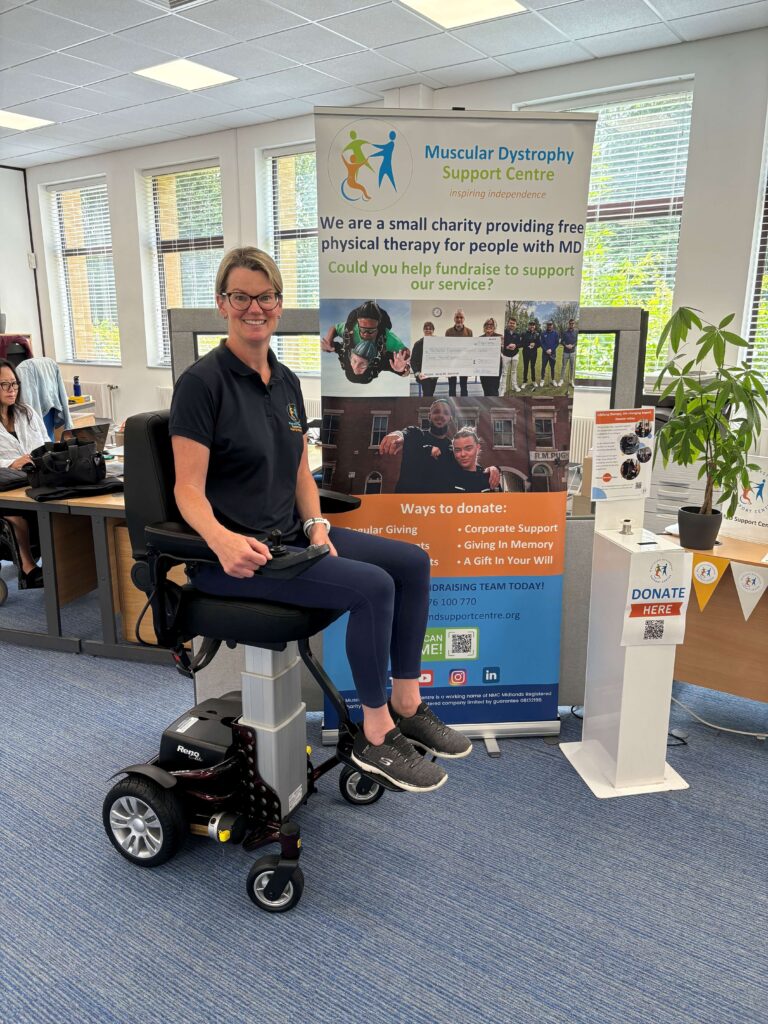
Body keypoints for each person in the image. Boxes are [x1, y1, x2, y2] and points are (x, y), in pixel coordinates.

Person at [170, 247, 470, 795]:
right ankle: (376, 736)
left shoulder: (284, 380)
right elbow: (186, 489)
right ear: (222, 304)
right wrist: (220, 540)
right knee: (374, 586)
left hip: (291, 539)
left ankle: (405, 702)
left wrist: (317, 527)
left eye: (265, 297)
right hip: (238, 558)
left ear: (280, 306)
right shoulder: (202, 383)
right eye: (241, 296)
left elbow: (300, 472)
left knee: (412, 562)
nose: (253, 307)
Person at [379, 399, 500, 494]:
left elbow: (467, 464)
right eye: (436, 411)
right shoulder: (416, 434)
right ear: (429, 415)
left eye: (446, 413)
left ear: (450, 418)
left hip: (436, 510)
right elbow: (404, 434)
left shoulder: (451, 448)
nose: (441, 415)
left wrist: (491, 469)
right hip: (407, 507)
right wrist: (395, 434)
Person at [0, 358, 47, 588]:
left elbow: (45, 442)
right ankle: (29, 570)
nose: (12, 390)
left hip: (32, 481)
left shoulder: (26, 412)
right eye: (4, 385)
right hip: (5, 489)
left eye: (15, 384)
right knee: (15, 512)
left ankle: (64, 566)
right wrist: (12, 463)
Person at [322, 300, 410, 383]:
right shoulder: (351, 329)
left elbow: (405, 351)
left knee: (388, 363)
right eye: (363, 330)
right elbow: (335, 328)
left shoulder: (386, 337)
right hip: (354, 354)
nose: (366, 334)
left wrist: (402, 367)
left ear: (378, 326)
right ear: (358, 324)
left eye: (371, 331)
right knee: (343, 350)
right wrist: (328, 340)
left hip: (377, 359)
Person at [450, 428, 501, 492]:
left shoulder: (490, 479)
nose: (463, 454)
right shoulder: (447, 478)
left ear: (478, 448)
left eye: (468, 449)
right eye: (457, 450)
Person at [446, 308, 472, 397]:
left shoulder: (469, 332)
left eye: (461, 317)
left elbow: (470, 349)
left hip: (464, 364)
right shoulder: (448, 332)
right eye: (457, 317)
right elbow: (446, 348)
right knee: (451, 387)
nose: (459, 319)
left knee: (464, 386)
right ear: (454, 319)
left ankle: (464, 403)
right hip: (452, 364)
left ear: (464, 319)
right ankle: (451, 404)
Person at [410, 321, 438, 397]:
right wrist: (417, 373)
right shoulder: (418, 344)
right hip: (423, 374)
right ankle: (426, 407)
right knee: (427, 394)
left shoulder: (438, 342)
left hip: (434, 374)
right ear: (423, 330)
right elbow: (413, 361)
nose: (428, 330)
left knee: (431, 393)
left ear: (433, 330)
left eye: (430, 329)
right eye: (426, 329)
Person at [478, 317, 502, 397]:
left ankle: (495, 407)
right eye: (487, 324)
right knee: (485, 389)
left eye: (491, 324)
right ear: (484, 326)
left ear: (494, 326)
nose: (489, 326)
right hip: (483, 368)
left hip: (495, 368)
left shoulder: (500, 337)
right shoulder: (480, 338)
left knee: (494, 389)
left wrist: (503, 345)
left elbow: (504, 352)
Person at [501, 316, 522, 394]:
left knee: (514, 371)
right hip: (506, 355)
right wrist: (506, 346)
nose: (512, 324)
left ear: (516, 325)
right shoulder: (503, 332)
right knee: (504, 373)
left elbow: (520, 344)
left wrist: (515, 345)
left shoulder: (517, 334)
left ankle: (514, 386)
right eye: (511, 323)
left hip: (515, 355)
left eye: (514, 323)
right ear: (508, 323)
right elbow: (502, 344)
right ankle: (503, 388)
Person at [539, 320, 560, 387]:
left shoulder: (556, 333)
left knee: (552, 367)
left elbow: (557, 343)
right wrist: (546, 350)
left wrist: (551, 349)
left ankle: (553, 380)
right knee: (543, 367)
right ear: (547, 325)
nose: (549, 326)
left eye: (550, 325)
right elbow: (541, 343)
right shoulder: (543, 333)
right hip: (545, 354)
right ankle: (542, 380)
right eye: (548, 325)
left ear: (552, 325)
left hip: (552, 353)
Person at [521, 318, 540, 388]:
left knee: (533, 367)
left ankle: (534, 381)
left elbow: (539, 344)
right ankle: (524, 381)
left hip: (534, 353)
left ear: (535, 326)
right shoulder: (524, 333)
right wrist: (528, 345)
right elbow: (522, 343)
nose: (532, 326)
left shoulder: (537, 334)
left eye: (533, 325)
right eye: (531, 325)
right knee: (525, 367)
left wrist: (535, 345)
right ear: (528, 326)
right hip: (526, 352)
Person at [560, 318, 578, 388]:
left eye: (573, 323)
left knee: (572, 367)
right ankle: (561, 380)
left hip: (573, 352)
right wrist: (566, 345)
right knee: (563, 366)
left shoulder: (576, 332)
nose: (571, 325)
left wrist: (573, 345)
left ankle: (571, 380)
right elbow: (562, 341)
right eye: (570, 323)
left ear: (574, 324)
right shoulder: (565, 332)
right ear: (569, 324)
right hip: (565, 352)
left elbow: (577, 341)